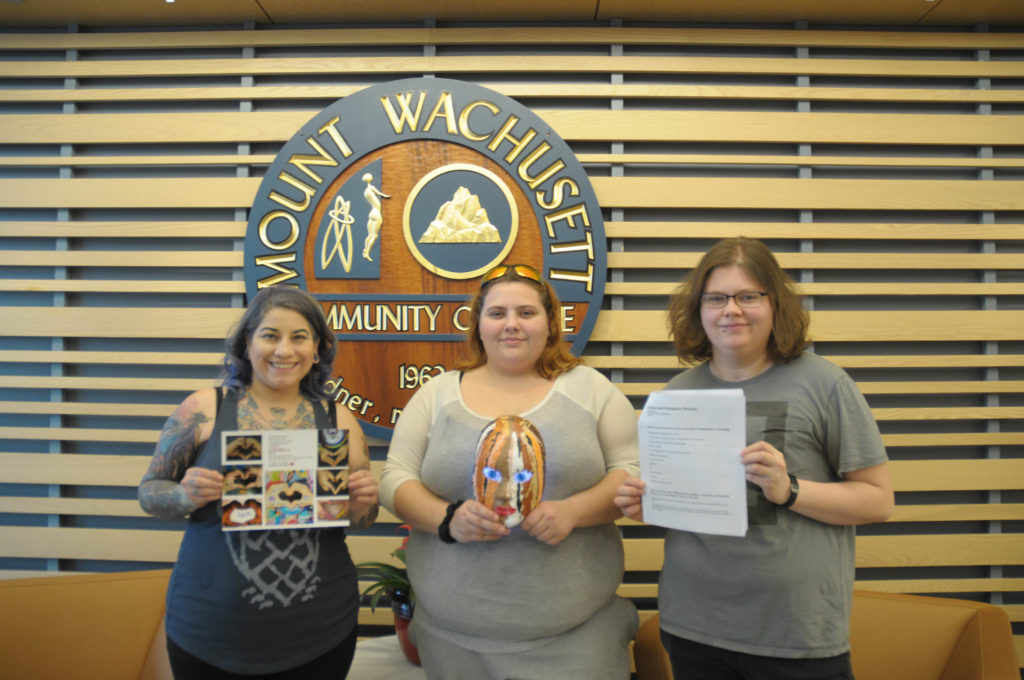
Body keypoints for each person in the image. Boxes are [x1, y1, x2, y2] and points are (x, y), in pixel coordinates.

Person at [615, 237, 893, 680]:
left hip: (795, 633)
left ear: (776, 304)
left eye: (748, 296)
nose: (732, 310)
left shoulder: (825, 384)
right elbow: (685, 505)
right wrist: (648, 506)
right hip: (694, 625)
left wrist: (791, 489)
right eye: (717, 298)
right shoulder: (676, 395)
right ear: (698, 309)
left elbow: (878, 501)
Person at [380, 263, 639, 680]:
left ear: (551, 323)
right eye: (497, 313)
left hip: (575, 642)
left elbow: (630, 471)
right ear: (478, 325)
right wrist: (447, 520)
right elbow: (394, 480)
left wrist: (573, 511)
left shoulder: (591, 389)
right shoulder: (437, 393)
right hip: (454, 643)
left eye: (526, 313)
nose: (511, 325)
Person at [138, 286, 378, 680]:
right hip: (209, 630)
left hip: (320, 631)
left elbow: (360, 519)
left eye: (299, 337)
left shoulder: (340, 419)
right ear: (246, 343)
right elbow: (149, 492)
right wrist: (184, 495)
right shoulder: (202, 409)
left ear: (317, 349)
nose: (284, 350)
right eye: (270, 335)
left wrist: (360, 504)